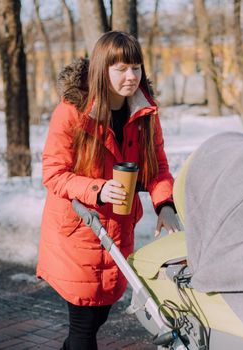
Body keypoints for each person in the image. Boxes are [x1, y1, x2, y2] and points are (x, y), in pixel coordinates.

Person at [37, 31, 181, 350]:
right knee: (85, 326)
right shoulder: (72, 111)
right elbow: (54, 173)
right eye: (120, 69)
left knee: (97, 316)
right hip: (79, 229)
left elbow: (157, 167)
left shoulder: (144, 112)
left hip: (117, 229)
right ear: (102, 70)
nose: (131, 76)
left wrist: (164, 204)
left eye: (136, 67)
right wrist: (99, 190)